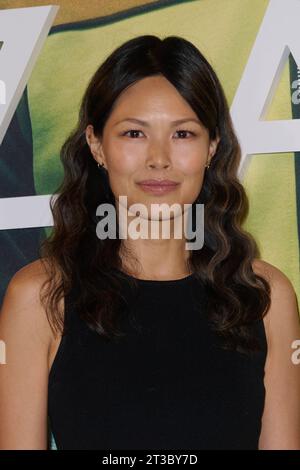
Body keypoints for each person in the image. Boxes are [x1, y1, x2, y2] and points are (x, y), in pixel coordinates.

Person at [0, 35, 299, 450]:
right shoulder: (40, 296)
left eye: (183, 134)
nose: (159, 158)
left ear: (212, 145)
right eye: (134, 133)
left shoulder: (264, 297)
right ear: (96, 144)